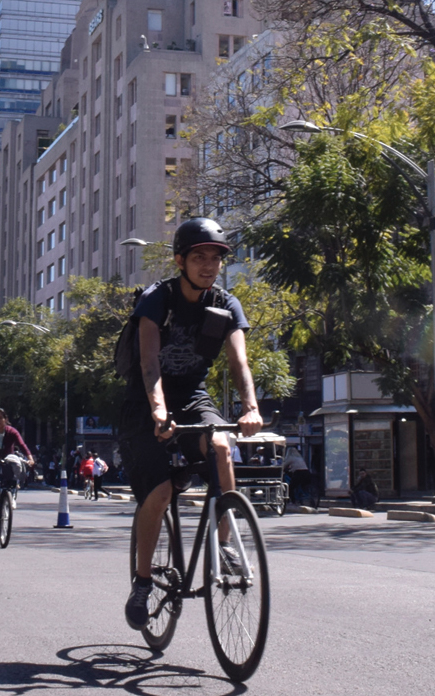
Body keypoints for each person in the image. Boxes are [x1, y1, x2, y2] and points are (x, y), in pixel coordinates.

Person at [119, 217, 263, 632]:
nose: (208, 265)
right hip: (144, 402)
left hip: (194, 396)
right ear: (180, 260)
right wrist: (159, 412)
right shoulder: (156, 299)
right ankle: (143, 582)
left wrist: (250, 407)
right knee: (160, 492)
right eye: (199, 257)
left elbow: (240, 362)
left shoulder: (225, 304)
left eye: (215, 258)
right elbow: (149, 364)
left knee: (220, 448)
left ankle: (227, 547)